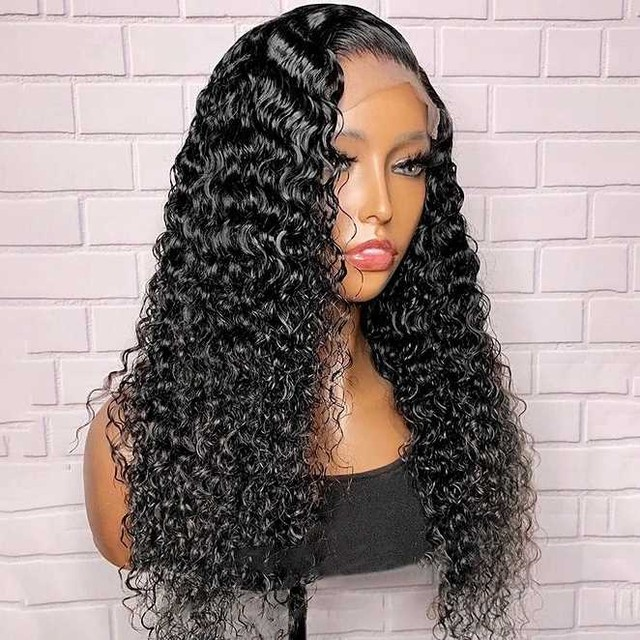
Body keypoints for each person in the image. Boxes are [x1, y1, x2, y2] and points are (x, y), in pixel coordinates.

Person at [76, 4, 541, 639]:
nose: (380, 206)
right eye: (338, 160)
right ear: (258, 186)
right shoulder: (143, 443)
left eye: (408, 164)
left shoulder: (454, 405)